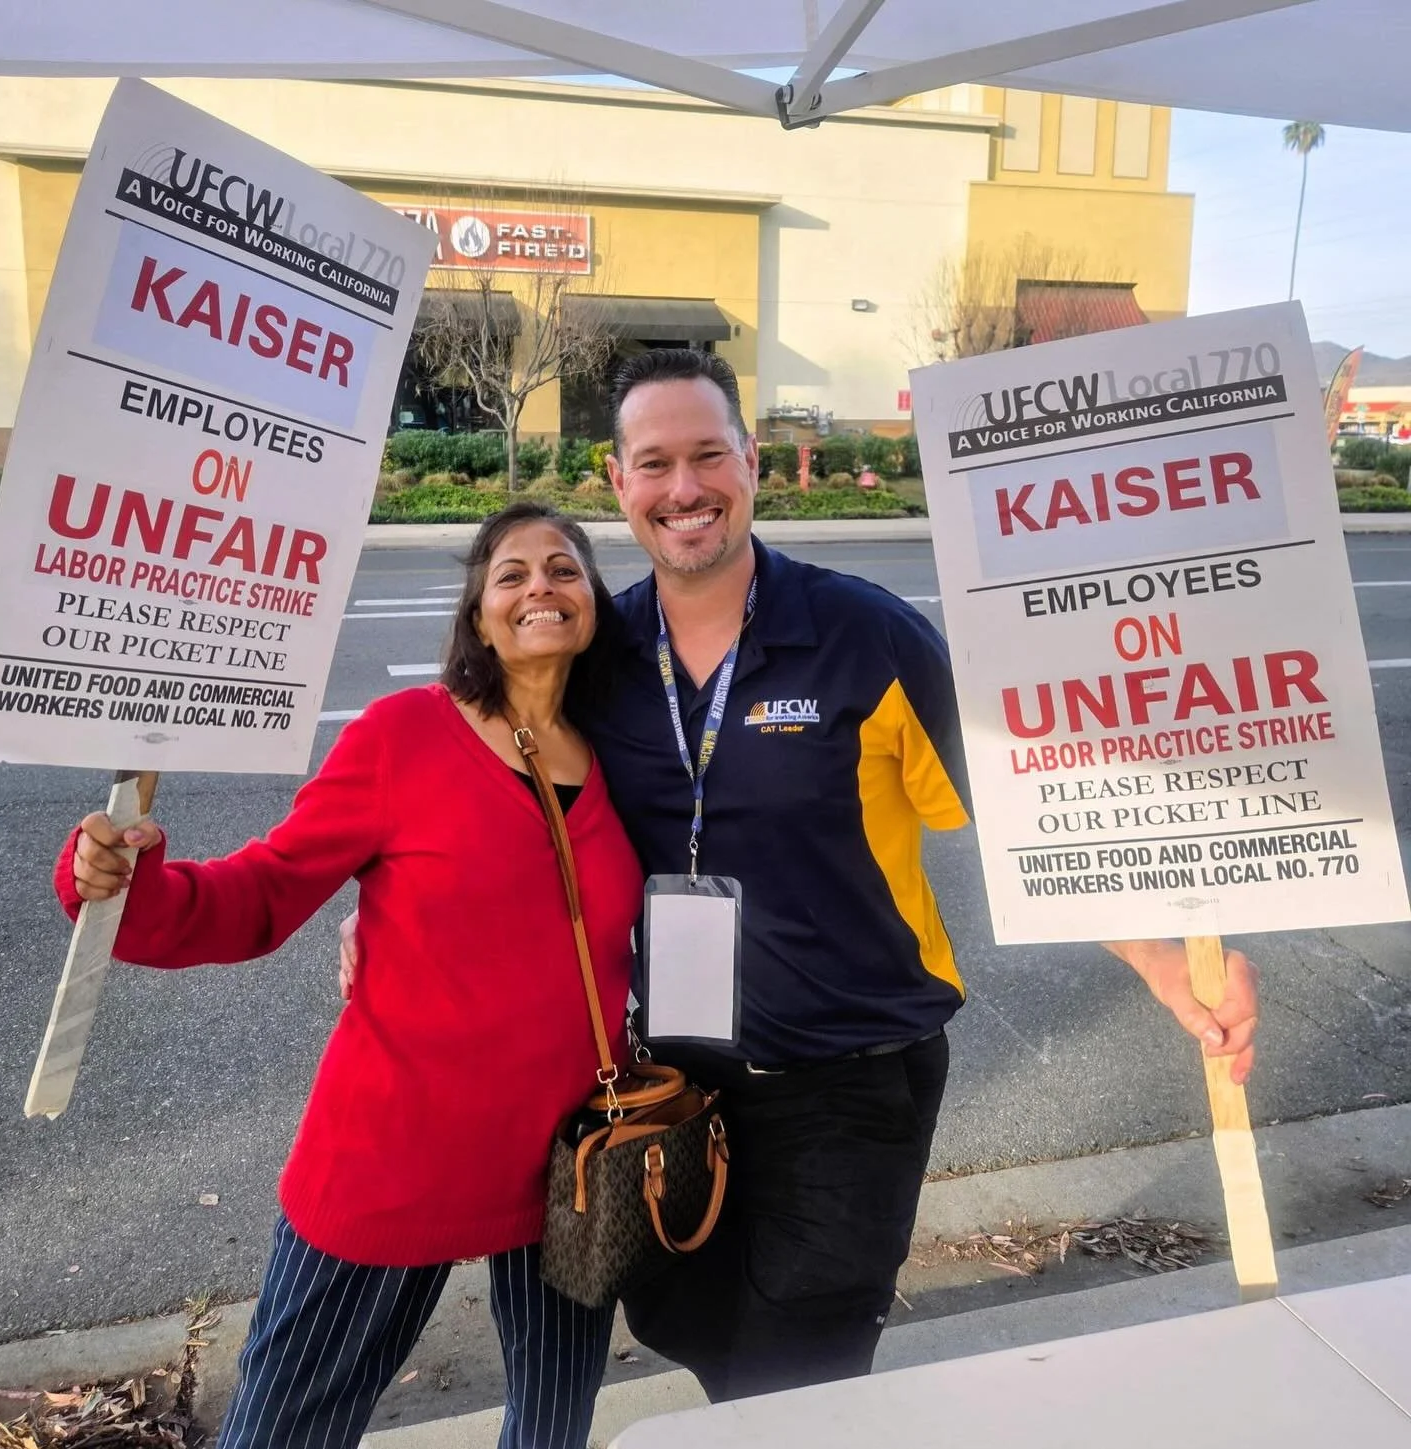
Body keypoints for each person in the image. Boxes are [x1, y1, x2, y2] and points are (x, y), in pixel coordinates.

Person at [342, 350, 1260, 1405]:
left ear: (751, 463)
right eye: (655, 464)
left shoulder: (865, 637)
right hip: (679, 1081)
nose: (683, 489)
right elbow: (508, 799)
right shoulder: (600, 652)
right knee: (682, 1317)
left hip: (850, 1075)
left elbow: (1026, 808)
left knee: (802, 1372)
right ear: (618, 480)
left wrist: (1162, 962)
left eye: (706, 456)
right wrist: (388, 911)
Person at [53, 502, 644, 1449]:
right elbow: (261, 893)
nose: (542, 585)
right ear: (479, 613)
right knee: (284, 1431)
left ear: (594, 602)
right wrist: (127, 886)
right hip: (392, 1159)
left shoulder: (621, 754)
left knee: (553, 1429)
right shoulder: (401, 735)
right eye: (512, 573)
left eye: (565, 568)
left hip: (573, 1163)